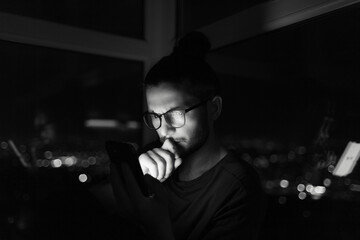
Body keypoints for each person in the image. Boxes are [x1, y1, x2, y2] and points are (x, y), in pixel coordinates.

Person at [109, 31, 265, 240]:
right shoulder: (152, 156)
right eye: (155, 116)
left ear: (214, 108)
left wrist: (156, 223)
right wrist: (137, 179)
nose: (164, 130)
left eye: (175, 114)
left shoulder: (238, 188)